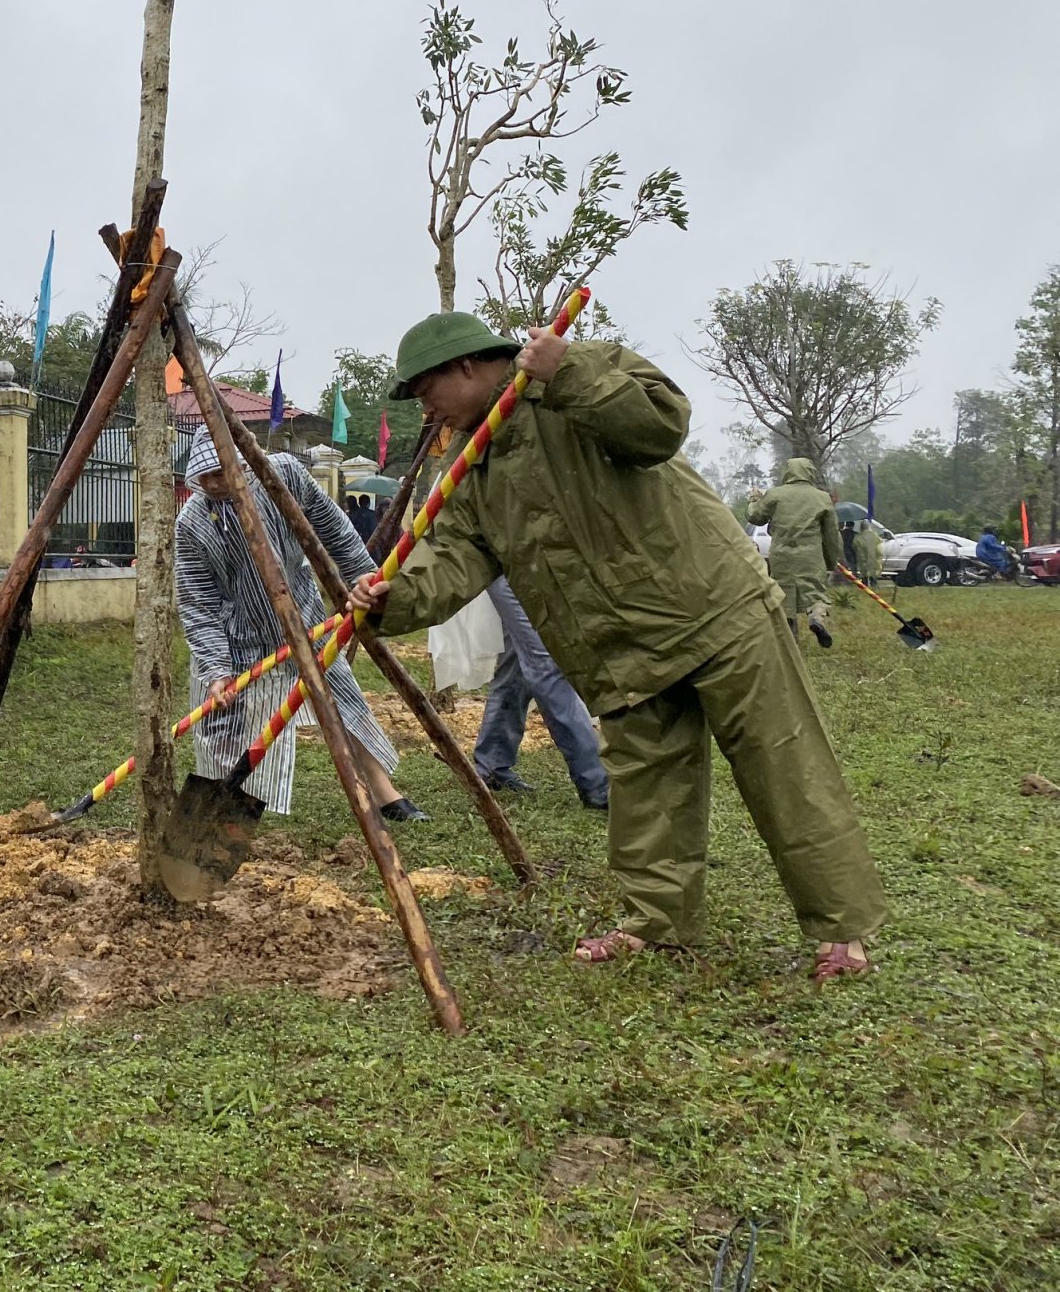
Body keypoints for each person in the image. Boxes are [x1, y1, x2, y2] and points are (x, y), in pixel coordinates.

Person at [345, 312, 886, 984]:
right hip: (622, 649)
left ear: (466, 366)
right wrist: (390, 599)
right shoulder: (472, 465)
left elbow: (660, 425)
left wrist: (568, 372)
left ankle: (842, 933)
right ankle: (657, 925)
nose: (424, 407)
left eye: (425, 390)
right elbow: (453, 558)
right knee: (647, 791)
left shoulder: (578, 370)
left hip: (714, 610)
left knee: (786, 768)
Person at [175, 432, 426, 823]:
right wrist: (216, 669)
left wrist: (365, 578)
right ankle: (227, 812)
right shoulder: (191, 524)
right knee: (222, 726)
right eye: (204, 475)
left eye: (220, 472)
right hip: (238, 640)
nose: (212, 482)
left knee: (341, 702)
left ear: (240, 463)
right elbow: (198, 603)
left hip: (305, 620)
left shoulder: (284, 476)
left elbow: (334, 529)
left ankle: (384, 794)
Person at [473, 577, 611, 810]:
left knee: (516, 663)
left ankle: (493, 762)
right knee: (546, 661)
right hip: (506, 563)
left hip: (528, 563)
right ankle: (597, 783)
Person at [748, 458, 840, 647]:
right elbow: (831, 534)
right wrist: (831, 561)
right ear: (810, 472)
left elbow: (755, 517)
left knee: (784, 596)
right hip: (811, 556)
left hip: (782, 555)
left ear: (788, 472)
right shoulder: (822, 497)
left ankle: (790, 641)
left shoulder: (775, 495)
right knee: (816, 593)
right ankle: (817, 617)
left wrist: (755, 499)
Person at [854, 520, 884, 586]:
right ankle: (873, 583)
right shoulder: (874, 534)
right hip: (874, 557)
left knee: (864, 571)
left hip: (862, 558)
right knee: (874, 571)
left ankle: (865, 583)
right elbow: (879, 546)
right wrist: (880, 555)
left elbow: (855, 546)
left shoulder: (858, 536)